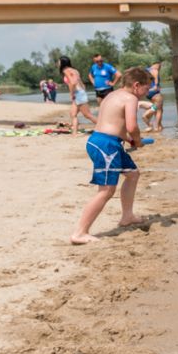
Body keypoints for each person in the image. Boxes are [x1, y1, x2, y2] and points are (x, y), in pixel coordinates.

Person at [70, 66, 152, 244]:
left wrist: (128, 139)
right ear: (137, 85)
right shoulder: (130, 98)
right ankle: (80, 233)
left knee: (132, 174)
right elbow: (132, 127)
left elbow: (113, 123)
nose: (147, 93)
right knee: (106, 190)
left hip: (106, 142)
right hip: (106, 145)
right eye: (147, 88)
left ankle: (127, 216)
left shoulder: (112, 95)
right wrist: (137, 140)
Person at [58, 56, 97, 132]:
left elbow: (72, 83)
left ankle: (103, 128)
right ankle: (74, 134)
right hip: (80, 92)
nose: (58, 63)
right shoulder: (74, 70)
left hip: (78, 94)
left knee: (87, 115)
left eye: (59, 61)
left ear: (63, 62)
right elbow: (82, 84)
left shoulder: (65, 70)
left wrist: (72, 94)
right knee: (73, 114)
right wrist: (81, 93)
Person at [141, 61, 164, 131]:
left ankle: (160, 125)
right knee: (159, 110)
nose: (159, 69)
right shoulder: (155, 70)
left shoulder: (145, 71)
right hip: (155, 93)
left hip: (148, 93)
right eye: (159, 67)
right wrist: (157, 86)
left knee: (156, 107)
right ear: (157, 65)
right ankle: (157, 126)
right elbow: (156, 84)